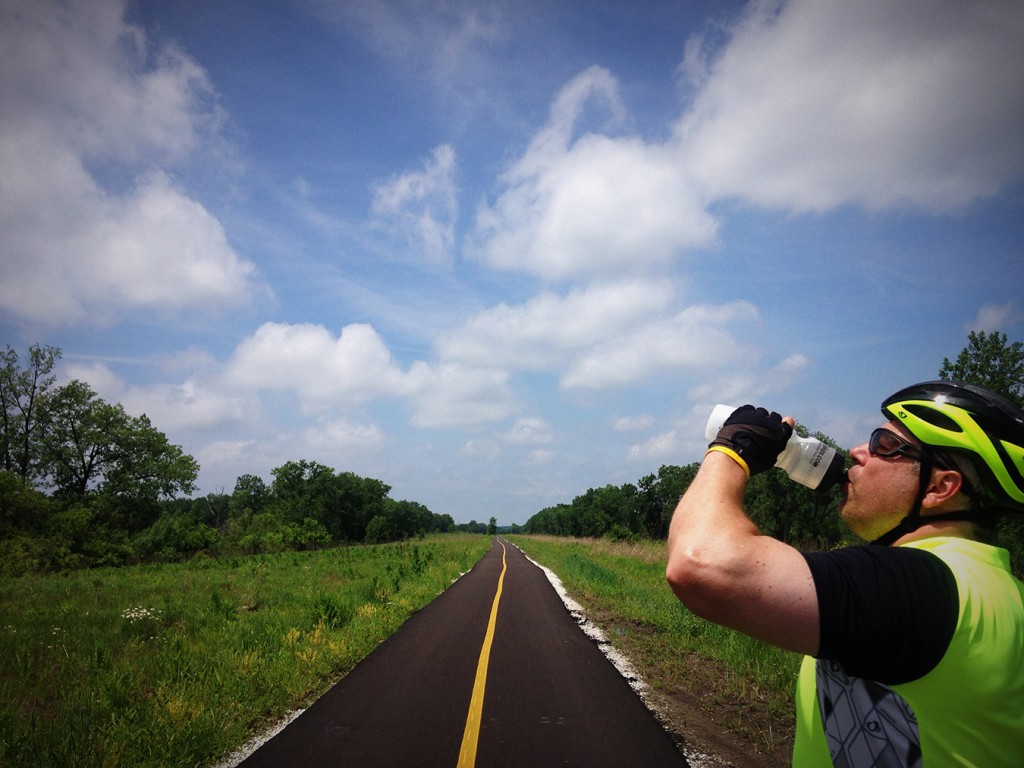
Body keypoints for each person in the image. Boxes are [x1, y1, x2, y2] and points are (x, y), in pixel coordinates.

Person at [665, 380, 1024, 766]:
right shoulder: (1000, 590)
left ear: (940, 487)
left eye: (884, 445)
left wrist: (734, 448)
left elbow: (699, 561)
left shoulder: (916, 585)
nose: (857, 452)